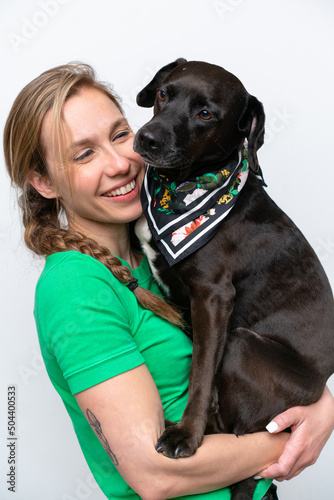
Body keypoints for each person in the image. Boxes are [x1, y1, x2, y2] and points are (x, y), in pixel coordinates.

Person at [3, 62, 334, 500]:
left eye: (121, 135)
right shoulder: (76, 289)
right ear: (43, 182)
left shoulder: (167, 243)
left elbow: (266, 332)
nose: (122, 162)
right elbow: (156, 475)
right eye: (85, 154)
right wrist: (300, 431)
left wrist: (321, 404)